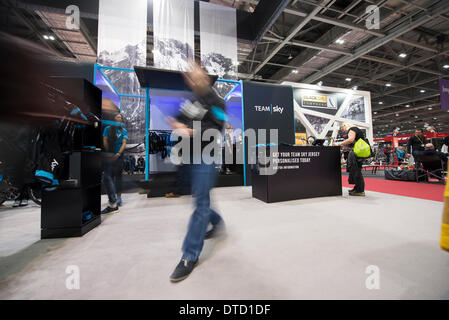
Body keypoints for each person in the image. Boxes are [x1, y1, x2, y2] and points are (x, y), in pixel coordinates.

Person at [168, 61, 226, 282]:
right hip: (189, 156)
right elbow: (181, 119)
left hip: (206, 155)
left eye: (197, 76)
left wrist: (191, 131)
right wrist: (176, 124)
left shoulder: (217, 101)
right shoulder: (190, 101)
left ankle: (189, 255)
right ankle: (218, 222)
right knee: (200, 198)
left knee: (199, 203)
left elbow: (217, 129)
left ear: (206, 78)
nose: (194, 81)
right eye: (190, 78)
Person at [101, 113, 128, 214]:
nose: (119, 118)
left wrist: (118, 153)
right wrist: (109, 152)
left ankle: (118, 197)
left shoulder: (124, 130)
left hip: (119, 157)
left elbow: (124, 143)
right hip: (109, 156)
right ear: (113, 118)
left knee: (118, 177)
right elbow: (105, 141)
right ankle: (113, 199)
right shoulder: (107, 128)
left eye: (121, 117)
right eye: (117, 117)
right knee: (109, 177)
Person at [334, 123, 368, 196]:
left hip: (356, 153)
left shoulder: (352, 129)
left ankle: (360, 190)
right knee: (355, 170)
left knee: (356, 171)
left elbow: (350, 140)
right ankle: (357, 188)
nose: (343, 131)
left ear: (345, 126)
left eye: (343, 129)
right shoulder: (356, 130)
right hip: (358, 152)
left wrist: (339, 144)